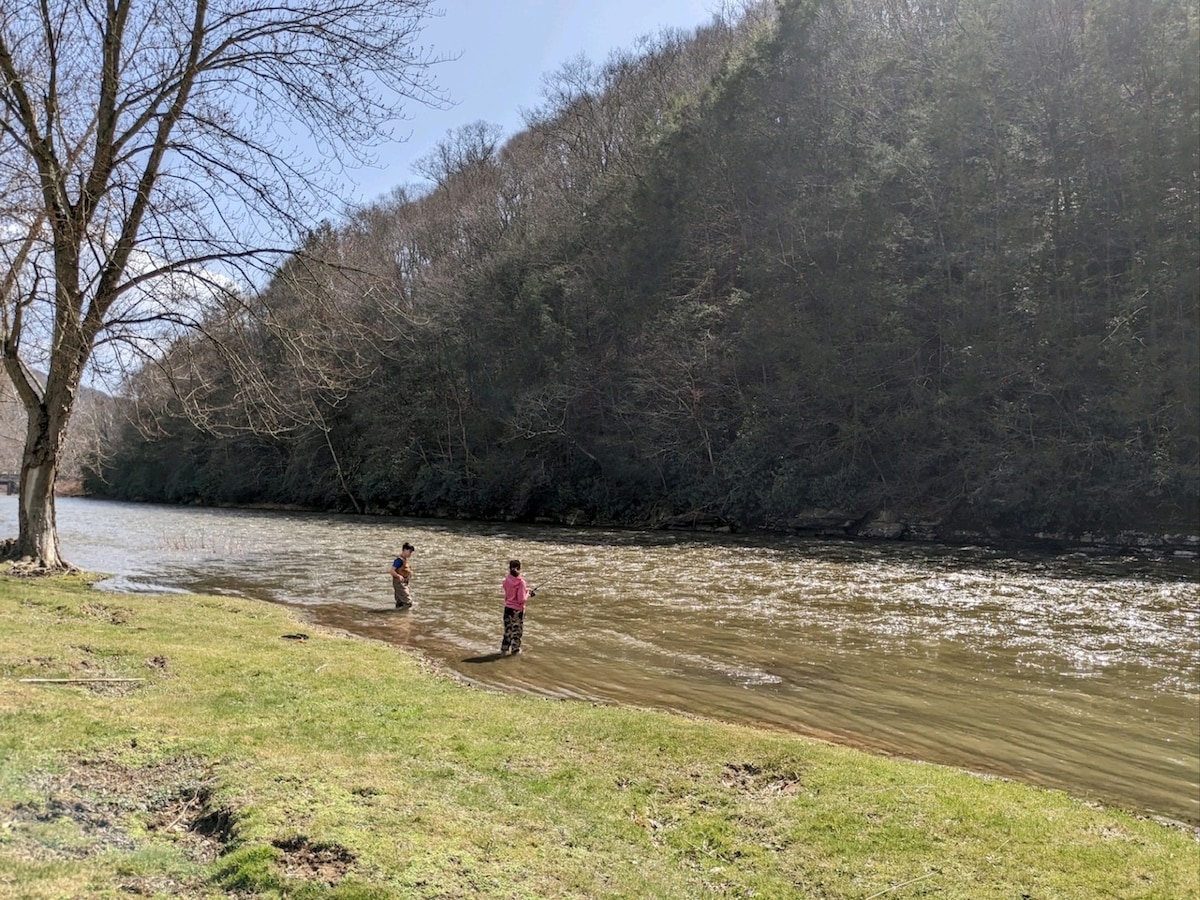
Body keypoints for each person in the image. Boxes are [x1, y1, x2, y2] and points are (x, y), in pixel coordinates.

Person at [501, 558, 536, 655]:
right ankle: (515, 652)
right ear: (519, 568)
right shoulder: (521, 582)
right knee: (516, 633)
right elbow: (521, 600)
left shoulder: (506, 580)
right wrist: (528, 593)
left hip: (507, 609)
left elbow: (510, 592)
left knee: (507, 631)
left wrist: (525, 590)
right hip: (517, 611)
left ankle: (504, 650)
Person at [391, 542, 415, 609]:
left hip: (403, 583)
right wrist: (398, 576)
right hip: (399, 583)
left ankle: (397, 616)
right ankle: (404, 617)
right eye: (409, 551)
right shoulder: (399, 560)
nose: (410, 554)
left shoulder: (404, 559)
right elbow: (391, 571)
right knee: (408, 602)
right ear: (404, 550)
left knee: (400, 602)